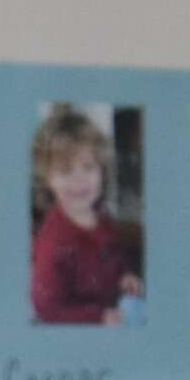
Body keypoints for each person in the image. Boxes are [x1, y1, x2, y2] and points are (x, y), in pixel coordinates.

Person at [29, 106, 142, 327]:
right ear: (48, 179)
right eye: (65, 171)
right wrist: (98, 317)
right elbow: (47, 309)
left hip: (112, 308)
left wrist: (125, 277)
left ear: (102, 171)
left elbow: (115, 258)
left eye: (88, 167)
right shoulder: (53, 243)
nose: (79, 180)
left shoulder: (103, 219)